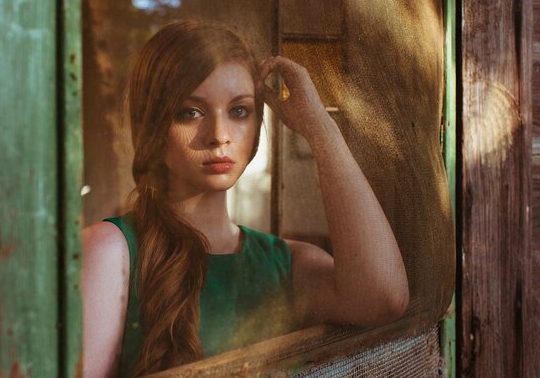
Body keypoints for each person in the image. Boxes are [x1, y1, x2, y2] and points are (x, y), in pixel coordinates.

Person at [82, 19, 409, 377]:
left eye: (239, 111)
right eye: (190, 112)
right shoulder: (111, 250)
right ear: (153, 124)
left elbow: (384, 300)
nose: (219, 135)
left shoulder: (284, 265)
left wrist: (319, 128)